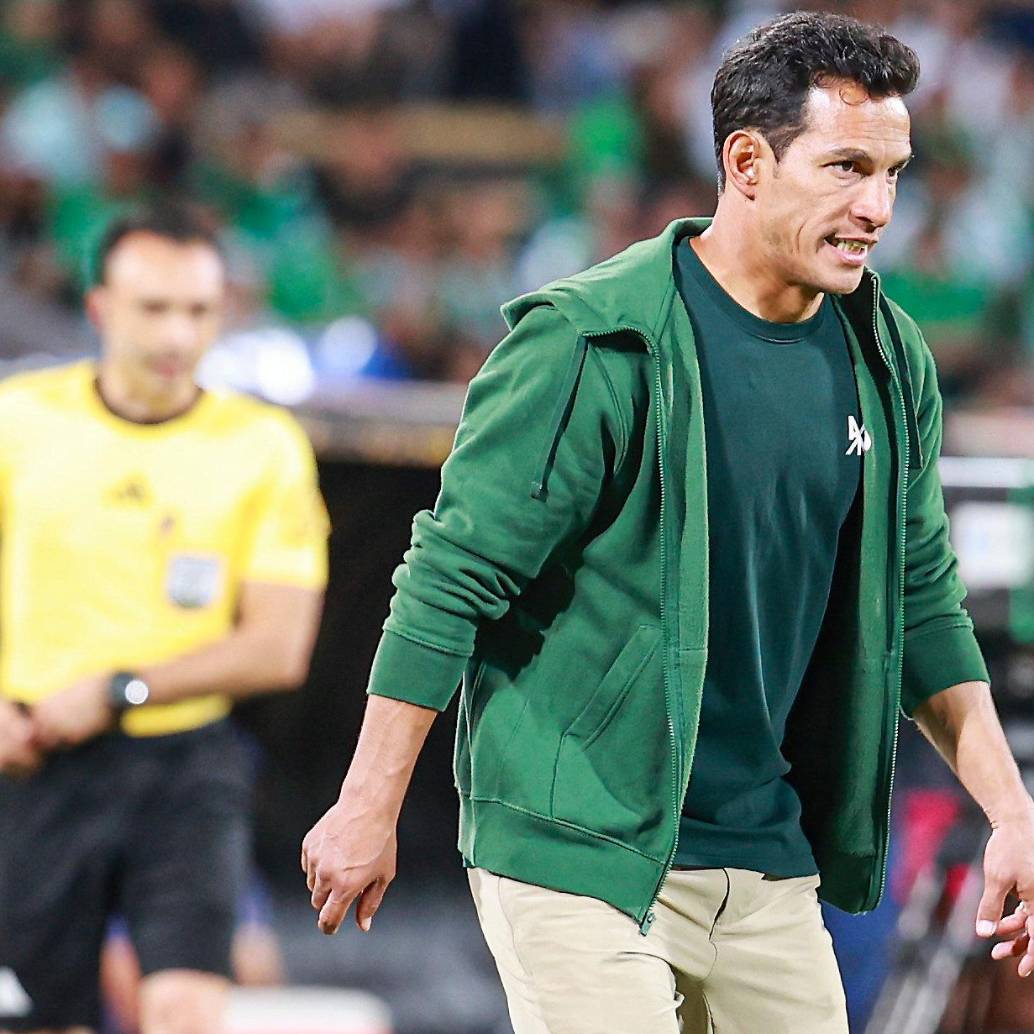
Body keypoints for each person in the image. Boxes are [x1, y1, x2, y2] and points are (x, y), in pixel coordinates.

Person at [302, 11, 1034, 1032]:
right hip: (577, 840)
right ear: (744, 161)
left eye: (891, 172)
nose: (875, 206)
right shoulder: (587, 341)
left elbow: (920, 597)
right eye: (843, 168)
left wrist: (1010, 811)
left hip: (763, 849)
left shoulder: (887, 355)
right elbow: (449, 577)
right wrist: (365, 803)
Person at [0, 205, 328, 1034]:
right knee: (51, 1019)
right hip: (35, 766)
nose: (178, 332)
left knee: (187, 1009)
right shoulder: (20, 421)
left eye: (198, 310)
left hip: (185, 767)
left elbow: (278, 646)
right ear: (100, 307)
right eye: (154, 308)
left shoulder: (261, 444)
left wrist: (121, 689)